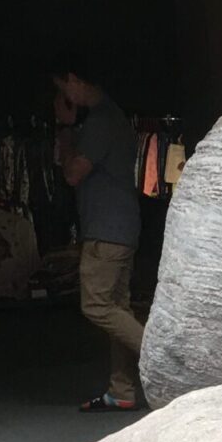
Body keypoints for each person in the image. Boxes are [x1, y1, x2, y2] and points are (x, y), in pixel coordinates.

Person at [53, 65, 144, 411]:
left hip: (107, 229)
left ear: (74, 80)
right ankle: (121, 390)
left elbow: (74, 174)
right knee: (117, 307)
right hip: (121, 227)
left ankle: (164, 356)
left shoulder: (101, 120)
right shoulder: (112, 117)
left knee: (97, 305)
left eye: (63, 88)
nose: (63, 97)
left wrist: (64, 127)